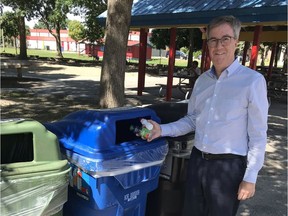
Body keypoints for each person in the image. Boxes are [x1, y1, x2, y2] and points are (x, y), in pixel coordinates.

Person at [147, 15, 268, 216]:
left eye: (225, 39)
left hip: (228, 167)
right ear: (208, 43)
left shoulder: (252, 81)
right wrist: (162, 130)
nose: (218, 45)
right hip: (197, 161)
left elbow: (258, 134)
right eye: (213, 39)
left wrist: (250, 177)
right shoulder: (203, 80)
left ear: (236, 42)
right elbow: (193, 119)